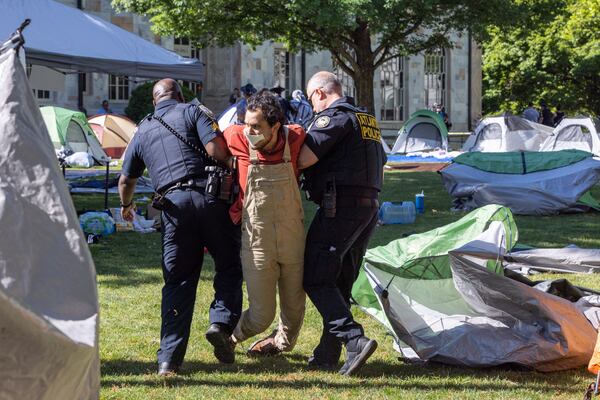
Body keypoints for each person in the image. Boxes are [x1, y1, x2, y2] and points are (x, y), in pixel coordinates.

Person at [118, 79, 243, 376]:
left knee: (178, 282)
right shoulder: (194, 111)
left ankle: (168, 361)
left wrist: (126, 206)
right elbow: (215, 150)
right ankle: (220, 324)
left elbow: (126, 180)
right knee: (228, 266)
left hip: (173, 208)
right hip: (210, 200)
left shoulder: (142, 129)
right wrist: (234, 164)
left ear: (154, 101)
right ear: (181, 95)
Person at [297, 71, 387, 376]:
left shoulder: (334, 118)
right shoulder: (367, 120)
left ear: (321, 93)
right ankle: (327, 352)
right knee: (339, 281)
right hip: (368, 208)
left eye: (311, 100)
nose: (313, 108)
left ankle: (354, 339)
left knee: (314, 275)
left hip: (341, 207)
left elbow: (304, 158)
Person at [222, 91, 307, 357]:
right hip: (257, 242)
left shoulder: (295, 137)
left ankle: (276, 346)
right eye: (247, 123)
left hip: (292, 240)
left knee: (294, 312)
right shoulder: (236, 136)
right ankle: (227, 338)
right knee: (261, 315)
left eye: (257, 126)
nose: (250, 130)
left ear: (275, 127)